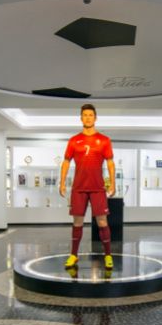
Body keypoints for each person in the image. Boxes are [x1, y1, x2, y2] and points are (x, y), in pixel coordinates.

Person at [59, 104, 115, 269]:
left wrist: (113, 183)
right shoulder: (74, 140)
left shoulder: (104, 140)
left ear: (95, 118)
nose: (88, 117)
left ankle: (108, 256)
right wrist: (62, 183)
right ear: (81, 118)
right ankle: (73, 255)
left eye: (91, 115)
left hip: (98, 187)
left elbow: (110, 163)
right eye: (85, 115)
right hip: (79, 187)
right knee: (77, 222)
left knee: (102, 221)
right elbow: (66, 162)